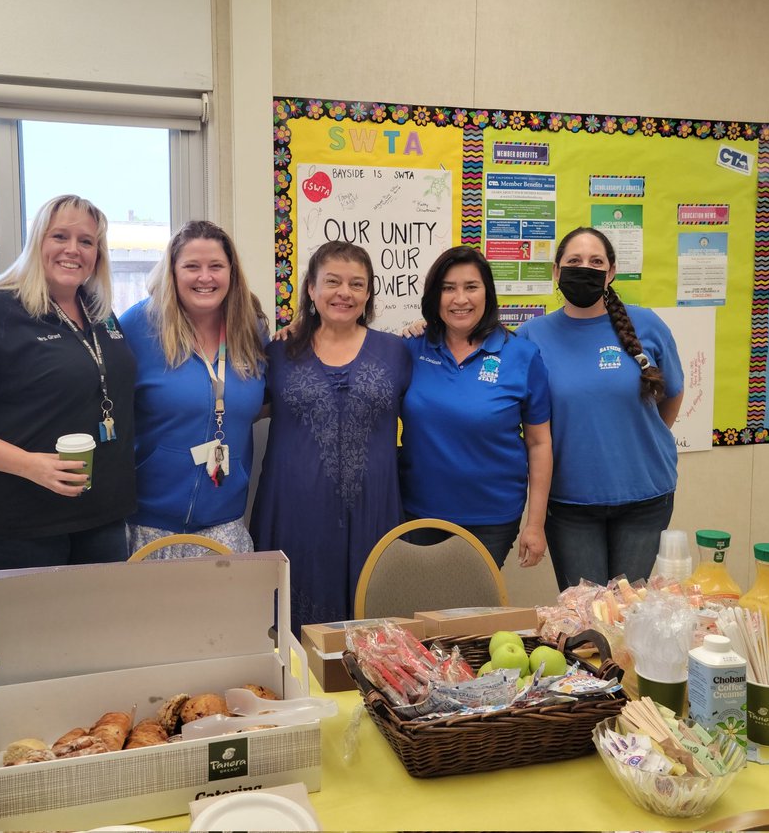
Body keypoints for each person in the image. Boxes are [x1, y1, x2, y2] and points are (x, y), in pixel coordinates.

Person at [0, 195, 136, 572]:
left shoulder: (100, 313)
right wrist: (30, 466)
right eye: (60, 237)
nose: (73, 250)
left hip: (98, 515)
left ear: (98, 255)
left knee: (101, 631)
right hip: (17, 523)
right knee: (33, 633)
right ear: (38, 241)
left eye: (86, 242)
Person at [251, 241, 412, 633]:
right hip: (294, 513)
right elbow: (244, 407)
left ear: (369, 292)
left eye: (357, 284)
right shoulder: (279, 352)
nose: (345, 293)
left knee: (373, 633)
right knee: (294, 634)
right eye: (333, 282)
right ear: (310, 288)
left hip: (374, 512)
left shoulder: (397, 352)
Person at [518, 226, 684, 589]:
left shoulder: (647, 324)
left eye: (596, 261)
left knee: (628, 616)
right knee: (585, 623)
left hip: (646, 496)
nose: (585, 268)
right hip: (569, 504)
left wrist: (642, 437)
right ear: (556, 272)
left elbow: (672, 392)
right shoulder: (532, 335)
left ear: (611, 272)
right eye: (574, 261)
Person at [119, 220, 267, 559]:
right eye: (191, 266)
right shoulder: (138, 327)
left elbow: (272, 397)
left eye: (216, 266)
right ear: (172, 272)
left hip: (225, 524)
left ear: (232, 273)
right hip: (147, 525)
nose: (205, 277)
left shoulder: (251, 332)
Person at [399, 246, 552, 569]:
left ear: (487, 293)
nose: (460, 299)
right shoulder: (409, 349)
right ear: (433, 295)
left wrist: (535, 525)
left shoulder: (522, 355)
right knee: (421, 608)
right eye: (448, 288)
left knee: (470, 612)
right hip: (418, 511)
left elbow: (539, 443)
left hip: (492, 517)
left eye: (471, 287)